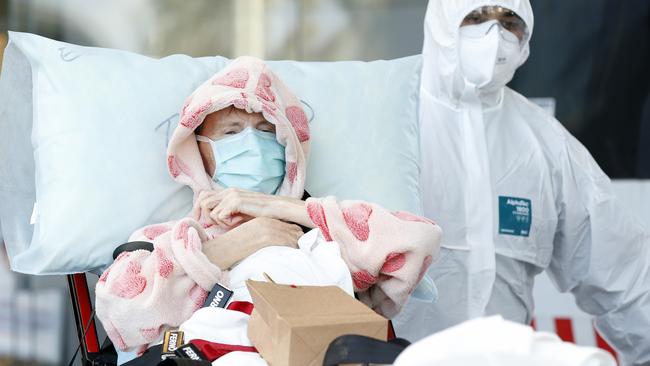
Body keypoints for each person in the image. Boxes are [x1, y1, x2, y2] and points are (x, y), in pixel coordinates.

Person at [95, 56, 441, 357]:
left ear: (288, 146)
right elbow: (122, 316)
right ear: (198, 150)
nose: (253, 145)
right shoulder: (168, 239)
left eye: (265, 130)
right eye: (231, 132)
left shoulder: (324, 229)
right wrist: (231, 246)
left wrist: (279, 209)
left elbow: (416, 242)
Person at [393, 1, 650, 365]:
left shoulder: (544, 142)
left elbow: (625, 273)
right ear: (443, 21)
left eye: (509, 21)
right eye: (477, 17)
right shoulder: (387, 118)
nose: (494, 35)